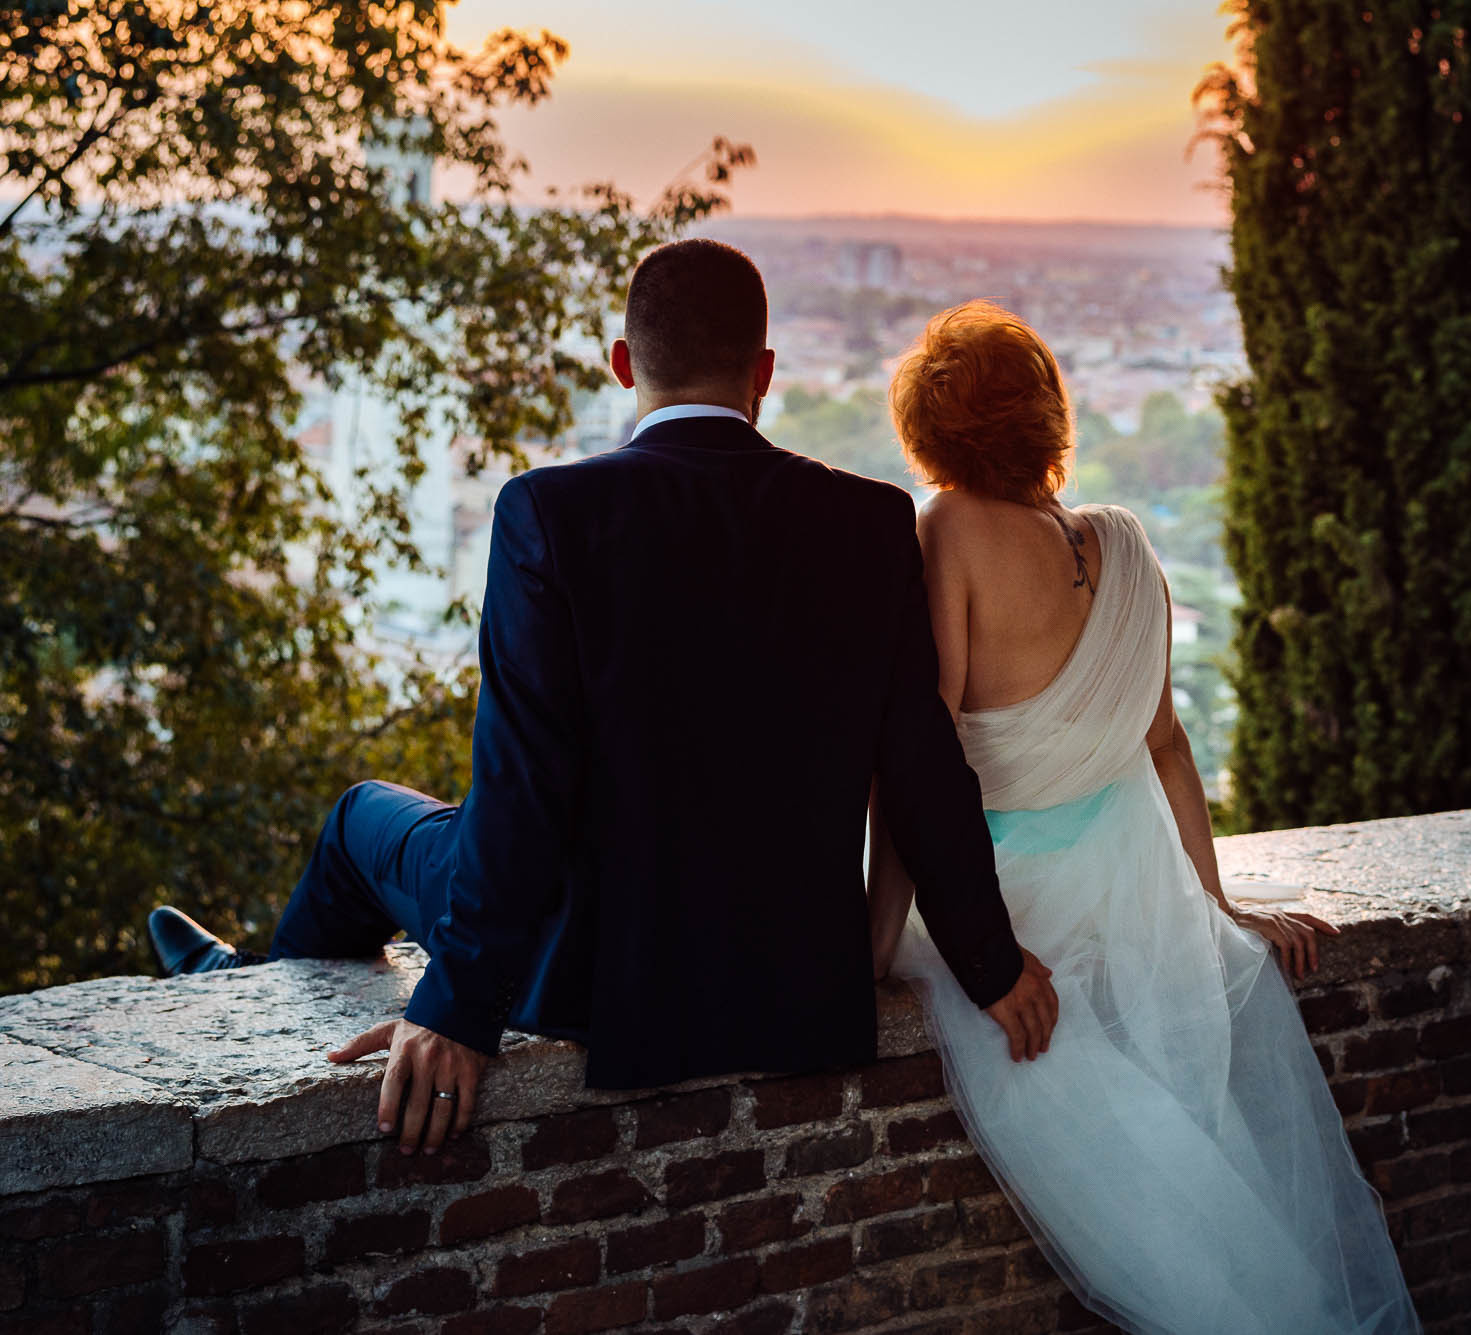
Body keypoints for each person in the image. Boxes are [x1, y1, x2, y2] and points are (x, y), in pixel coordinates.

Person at [146, 240, 1059, 1155]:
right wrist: (990, 961)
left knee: (356, 821)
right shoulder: (868, 522)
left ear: (624, 363)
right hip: (794, 978)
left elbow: (523, 783)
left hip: (595, 975)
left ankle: (237, 981)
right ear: (765, 372)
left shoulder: (549, 512)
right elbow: (921, 764)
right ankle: (236, 971)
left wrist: (458, 1009)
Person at [870, 301, 1423, 1334]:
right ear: (1044, 413)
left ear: (932, 430)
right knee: (1198, 1159)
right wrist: (1214, 905)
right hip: (1128, 887)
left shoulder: (942, 525)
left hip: (1006, 904)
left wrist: (873, 930)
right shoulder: (1123, 545)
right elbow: (1165, 744)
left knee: (1146, 1183)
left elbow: (922, 754)